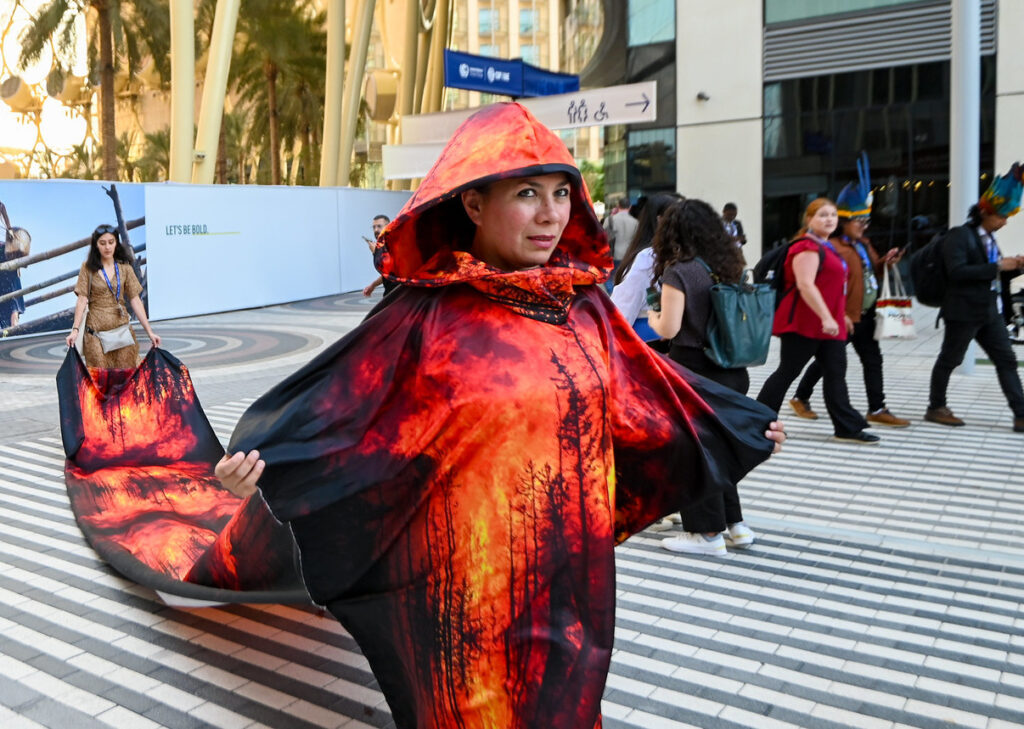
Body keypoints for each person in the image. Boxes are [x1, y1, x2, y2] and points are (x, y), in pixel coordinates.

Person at [215, 103, 785, 729]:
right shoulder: (423, 315)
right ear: (473, 204)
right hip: (467, 583)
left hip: (575, 575)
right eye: (526, 193)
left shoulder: (585, 306)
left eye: (561, 193)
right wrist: (265, 465)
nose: (550, 214)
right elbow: (345, 417)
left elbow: (647, 397)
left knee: (566, 704)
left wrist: (733, 425)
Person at [646, 198, 757, 556]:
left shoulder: (680, 271)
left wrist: (651, 317)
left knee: (694, 453)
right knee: (718, 450)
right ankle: (736, 526)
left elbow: (670, 327)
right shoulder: (730, 265)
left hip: (693, 370)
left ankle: (706, 534)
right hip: (733, 370)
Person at [790, 155, 910, 427]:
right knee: (824, 363)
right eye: (860, 221)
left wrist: (885, 263)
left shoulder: (863, 244)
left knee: (872, 360)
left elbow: (869, 273)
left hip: (866, 314)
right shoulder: (831, 248)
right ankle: (800, 396)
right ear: (844, 221)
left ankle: (877, 408)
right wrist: (836, 314)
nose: (864, 226)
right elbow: (820, 285)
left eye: (867, 221)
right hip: (843, 317)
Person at [756, 198, 879, 444]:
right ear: (809, 219)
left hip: (827, 325)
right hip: (804, 324)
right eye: (823, 215)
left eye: (833, 215)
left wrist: (840, 315)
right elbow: (805, 284)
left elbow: (831, 287)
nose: (830, 219)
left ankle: (847, 427)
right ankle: (757, 423)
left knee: (836, 373)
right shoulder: (806, 247)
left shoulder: (827, 246)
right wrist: (826, 316)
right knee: (787, 372)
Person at [925, 163, 1024, 432]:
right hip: (963, 311)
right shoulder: (959, 236)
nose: (1004, 221)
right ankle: (936, 407)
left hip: (988, 311)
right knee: (950, 359)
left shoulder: (990, 239)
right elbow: (957, 271)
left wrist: (1014, 267)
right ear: (984, 212)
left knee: (1006, 360)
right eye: (1001, 216)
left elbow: (989, 275)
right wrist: (997, 267)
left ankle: (1021, 414)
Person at [64, 224, 160, 368]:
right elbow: (82, 300)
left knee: (126, 379)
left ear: (116, 243)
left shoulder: (125, 268)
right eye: (102, 243)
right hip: (95, 335)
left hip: (122, 334)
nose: (107, 247)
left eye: (111, 242)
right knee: (100, 381)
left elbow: (135, 300)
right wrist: (75, 330)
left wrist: (150, 332)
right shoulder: (88, 268)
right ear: (96, 245)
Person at [609, 192, 683, 342]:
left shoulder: (678, 255)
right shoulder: (648, 258)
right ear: (659, 219)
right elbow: (621, 313)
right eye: (677, 218)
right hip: (648, 346)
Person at [0, 201, 30, 330]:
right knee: (10, 292)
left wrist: (9, 228)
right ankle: (12, 327)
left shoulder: (5, 249)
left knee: (12, 291)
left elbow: (1, 206)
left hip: (5, 260)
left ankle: (13, 327)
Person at [361, 214, 394, 297]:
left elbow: (389, 270)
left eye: (379, 226)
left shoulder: (394, 244)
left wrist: (375, 253)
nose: (376, 230)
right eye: (374, 227)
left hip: (398, 296)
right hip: (390, 294)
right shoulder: (383, 246)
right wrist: (373, 285)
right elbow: (386, 275)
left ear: (388, 227)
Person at [603, 195, 638, 265]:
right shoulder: (636, 222)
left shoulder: (609, 220)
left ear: (618, 206)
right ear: (630, 207)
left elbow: (603, 237)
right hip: (629, 256)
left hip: (613, 255)